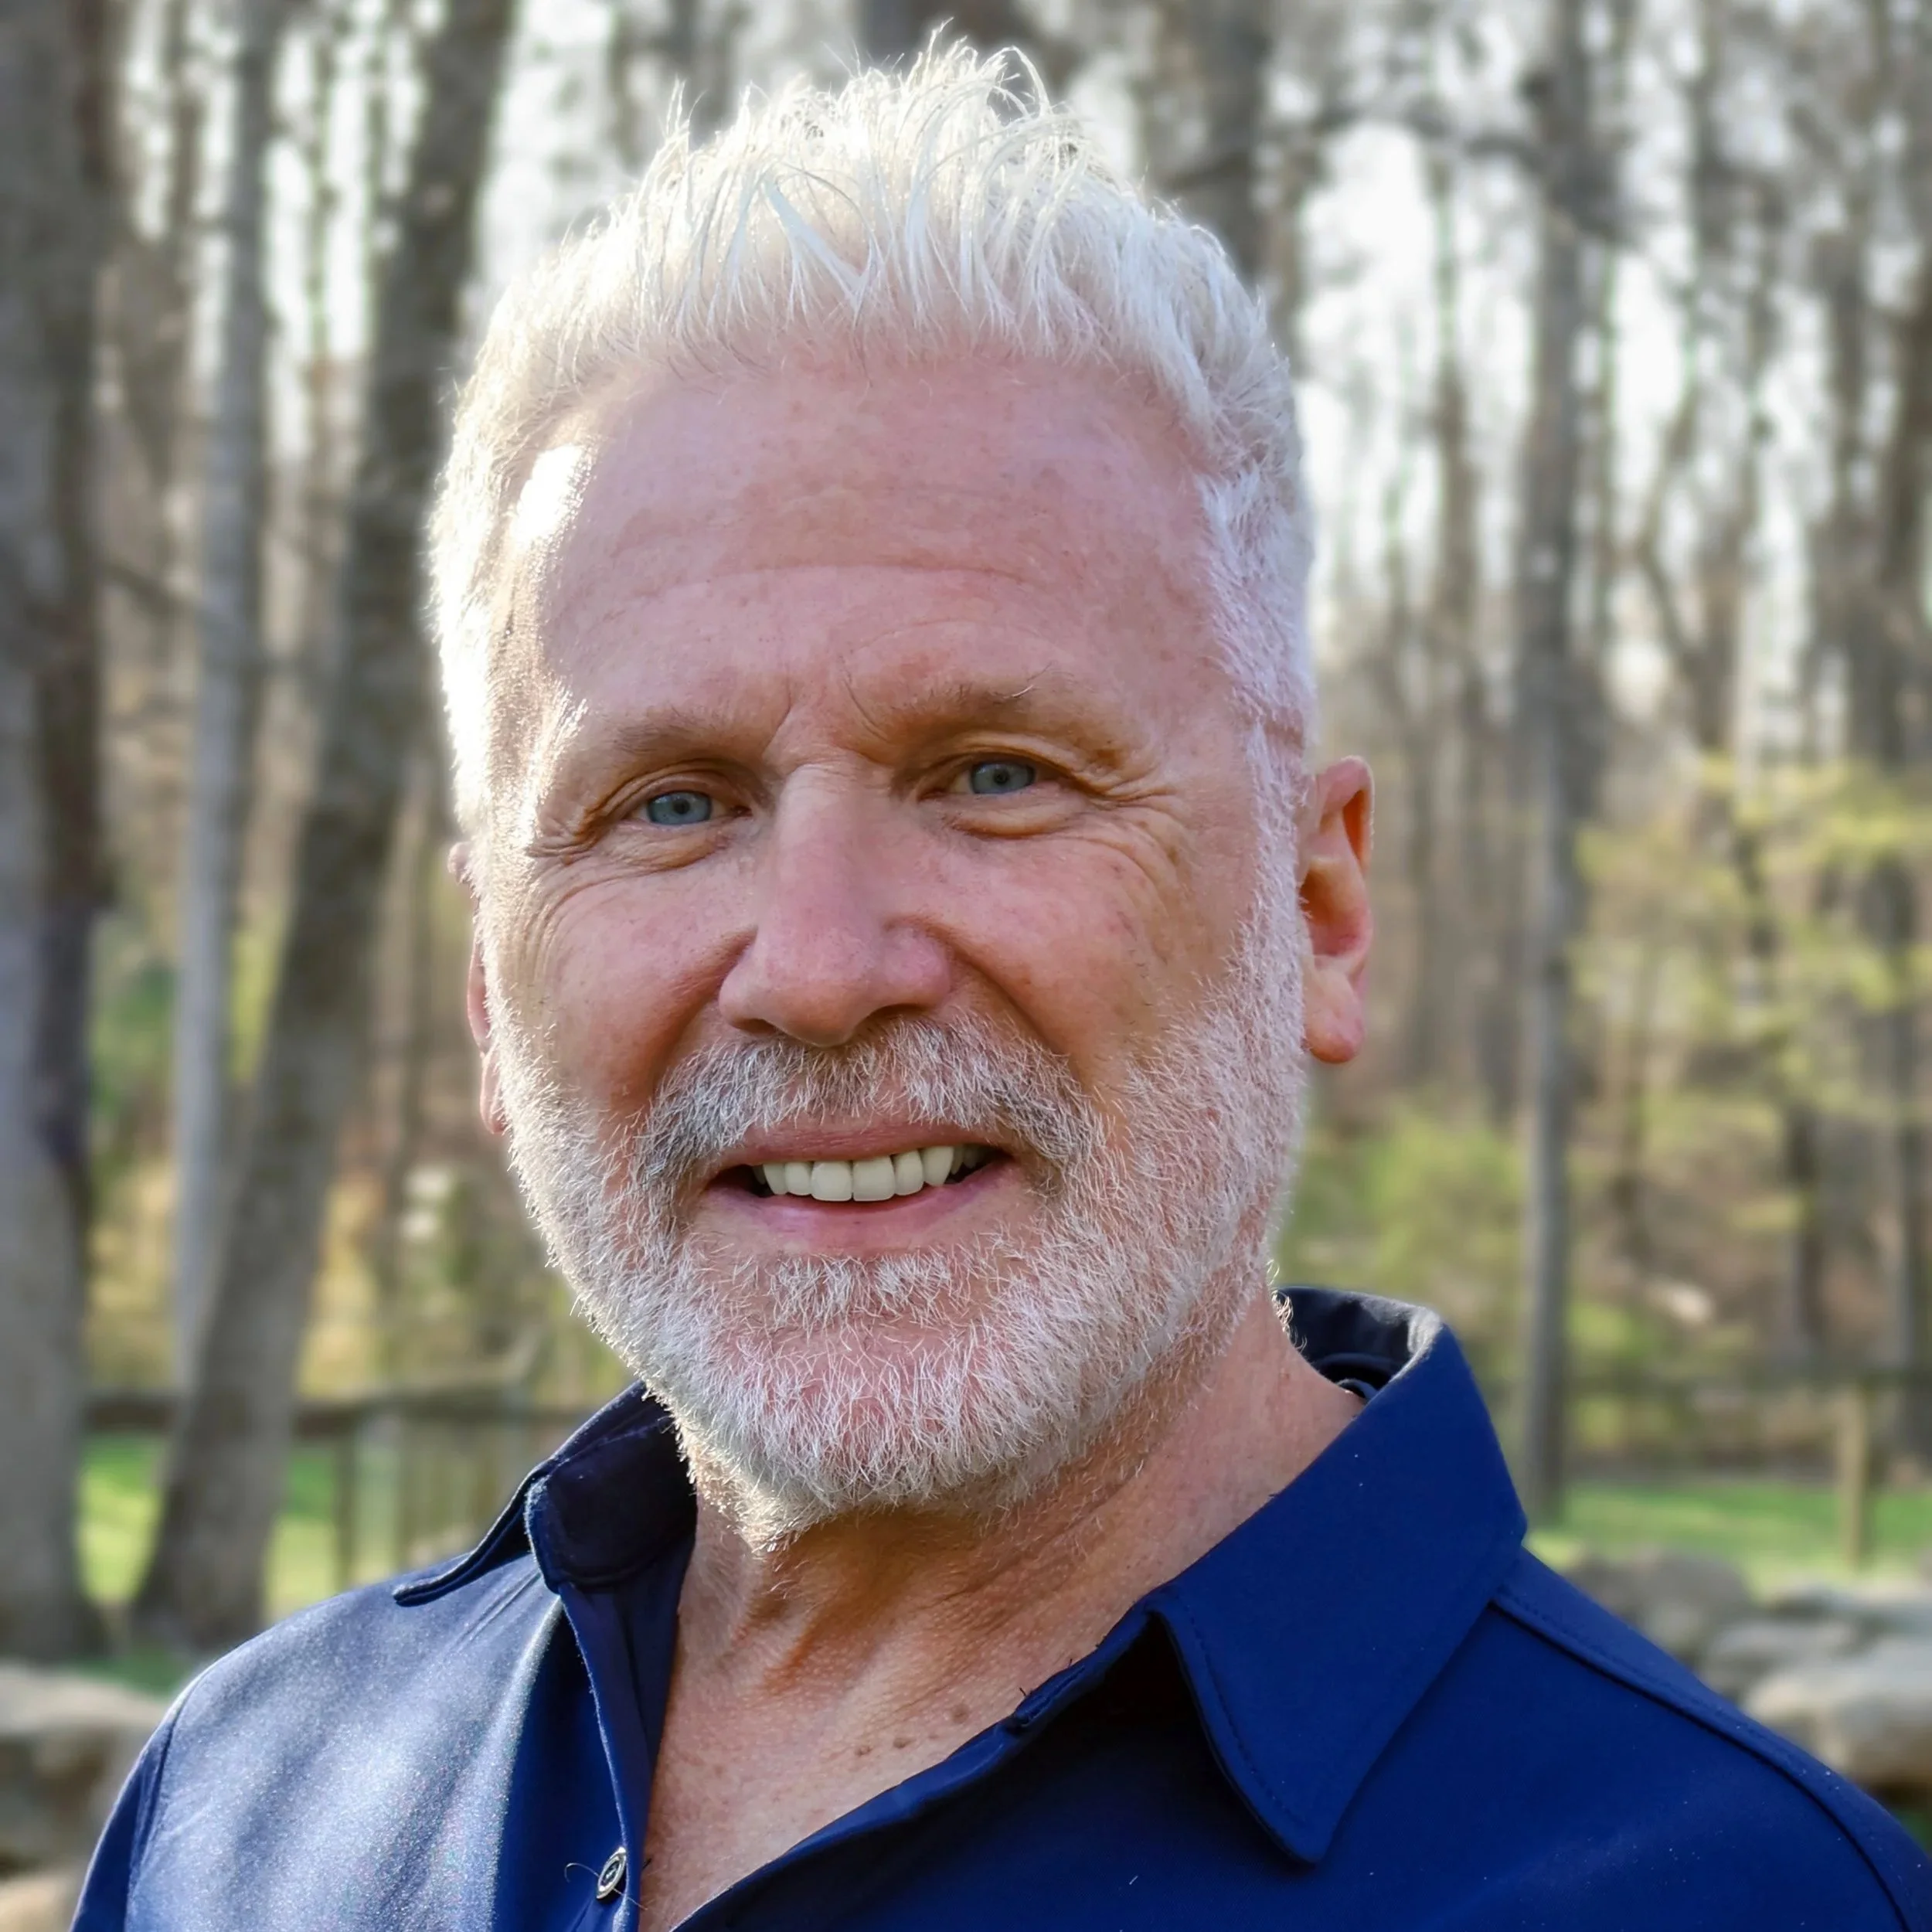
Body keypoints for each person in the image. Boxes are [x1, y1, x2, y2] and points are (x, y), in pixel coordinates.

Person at [77, 47, 1930, 1932]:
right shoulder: (246, 1812)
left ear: (1318, 903)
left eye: (992, 773)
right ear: (488, 986)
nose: (815, 967)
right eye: (670, 803)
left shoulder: (1736, 1896)